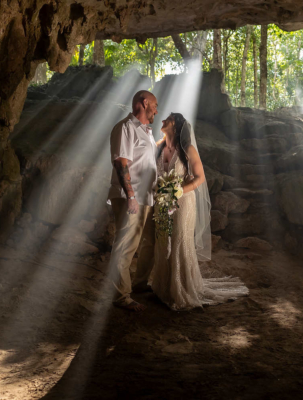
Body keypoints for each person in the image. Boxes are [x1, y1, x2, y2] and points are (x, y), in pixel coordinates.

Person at [148, 113, 249, 310]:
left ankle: (181, 288)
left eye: (167, 119)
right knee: (162, 241)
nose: (162, 121)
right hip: (162, 202)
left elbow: (200, 177)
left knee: (179, 241)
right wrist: (159, 190)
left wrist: (178, 191)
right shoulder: (158, 147)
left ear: (176, 126)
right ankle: (163, 287)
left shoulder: (188, 150)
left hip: (183, 202)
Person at [107, 90, 158, 312]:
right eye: (155, 105)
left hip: (147, 196)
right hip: (132, 196)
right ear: (144, 103)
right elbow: (121, 163)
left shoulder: (146, 131)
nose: (157, 109)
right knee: (126, 246)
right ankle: (120, 296)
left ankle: (139, 283)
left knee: (149, 243)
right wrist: (131, 197)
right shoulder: (125, 128)